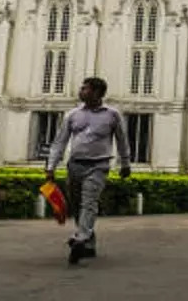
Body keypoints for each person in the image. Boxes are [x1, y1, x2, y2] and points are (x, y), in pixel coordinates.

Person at [46, 77, 132, 265]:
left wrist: (125, 163)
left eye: (85, 89)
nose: (81, 91)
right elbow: (60, 142)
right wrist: (51, 166)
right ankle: (89, 242)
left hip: (98, 166)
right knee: (77, 205)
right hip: (75, 165)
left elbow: (122, 140)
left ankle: (80, 237)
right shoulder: (73, 115)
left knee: (89, 202)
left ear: (97, 93)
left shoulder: (112, 115)